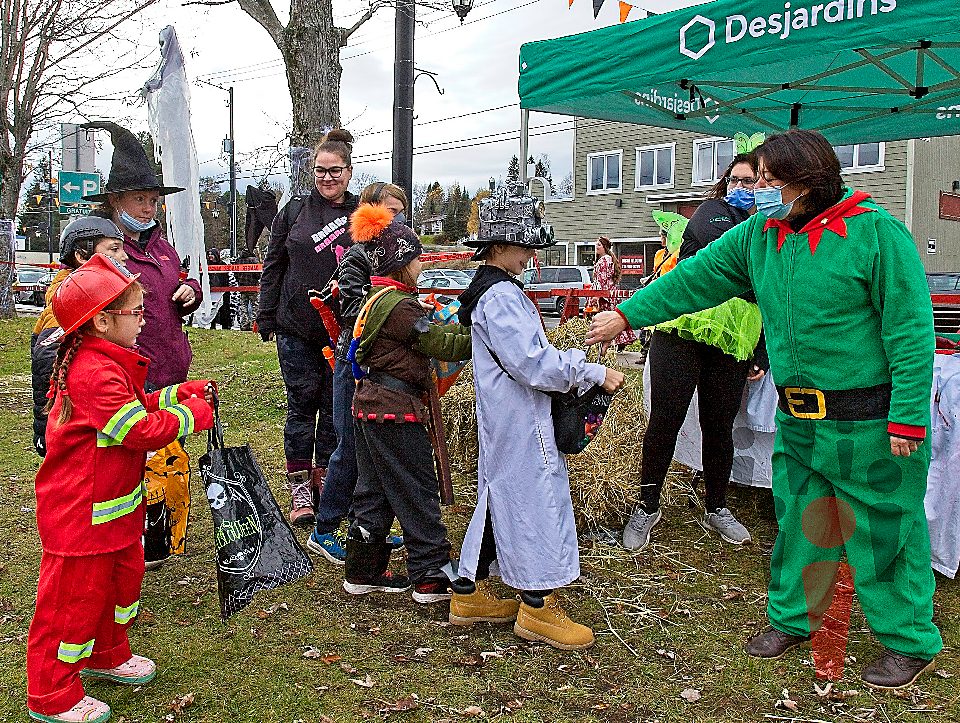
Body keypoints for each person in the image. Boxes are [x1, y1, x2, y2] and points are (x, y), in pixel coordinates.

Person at [587, 129, 941, 690]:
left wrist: (907, 416)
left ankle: (908, 641)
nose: (761, 192)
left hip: (868, 420)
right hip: (800, 420)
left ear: (809, 181)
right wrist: (631, 313)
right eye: (760, 181)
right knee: (801, 524)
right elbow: (696, 277)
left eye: (773, 182)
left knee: (885, 531)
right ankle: (794, 618)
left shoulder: (877, 234)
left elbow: (910, 332)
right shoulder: (761, 235)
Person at [26, 254, 214, 723]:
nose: (144, 319)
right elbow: (138, 430)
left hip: (113, 512)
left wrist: (177, 393)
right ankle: (52, 693)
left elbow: (135, 405)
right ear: (103, 321)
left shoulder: (108, 362)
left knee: (118, 587)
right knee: (70, 606)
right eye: (137, 311)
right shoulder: (94, 372)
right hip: (81, 517)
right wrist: (192, 415)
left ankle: (108, 652)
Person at [450, 187, 625, 650]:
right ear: (499, 245)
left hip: (508, 416)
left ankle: (468, 594)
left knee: (501, 495)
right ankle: (538, 605)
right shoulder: (501, 297)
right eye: (525, 245)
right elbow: (533, 364)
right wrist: (590, 371)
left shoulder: (493, 291)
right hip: (521, 418)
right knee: (533, 500)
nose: (531, 255)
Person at [618, 153, 768, 552]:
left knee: (719, 427)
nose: (741, 187)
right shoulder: (711, 212)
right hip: (683, 328)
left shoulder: (771, 226)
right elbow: (722, 262)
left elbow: (770, 290)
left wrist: (761, 351)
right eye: (735, 180)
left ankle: (716, 506)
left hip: (734, 338)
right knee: (665, 420)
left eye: (750, 181)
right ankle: (647, 506)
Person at [82, 120, 204, 569]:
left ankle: (161, 532)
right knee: (133, 454)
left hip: (170, 365)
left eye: (154, 200)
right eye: (141, 199)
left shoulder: (161, 247)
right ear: (116, 201)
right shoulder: (105, 252)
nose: (150, 208)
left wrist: (190, 291)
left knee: (166, 456)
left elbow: (179, 281)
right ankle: (135, 537)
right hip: (129, 370)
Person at [342, 203, 471, 603]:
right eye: (416, 258)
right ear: (400, 262)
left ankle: (363, 570)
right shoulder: (399, 306)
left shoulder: (378, 298)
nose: (420, 264)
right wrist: (482, 334)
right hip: (395, 409)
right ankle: (431, 573)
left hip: (370, 406)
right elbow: (439, 343)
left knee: (374, 490)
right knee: (417, 489)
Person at [257, 129, 358, 527]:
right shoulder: (294, 210)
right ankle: (299, 485)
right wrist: (265, 313)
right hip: (296, 325)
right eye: (320, 170)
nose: (327, 178)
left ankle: (327, 480)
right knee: (301, 405)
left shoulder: (362, 212)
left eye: (335, 171)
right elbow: (274, 263)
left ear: (349, 172)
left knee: (335, 410)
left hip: (342, 330)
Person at [307, 182, 408, 564]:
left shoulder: (391, 256)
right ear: (371, 212)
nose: (398, 220)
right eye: (391, 212)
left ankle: (362, 527)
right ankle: (324, 529)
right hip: (354, 360)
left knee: (369, 448)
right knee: (349, 446)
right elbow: (352, 309)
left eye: (401, 212)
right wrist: (393, 310)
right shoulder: (358, 255)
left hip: (379, 360)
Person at [31, 217, 128, 458]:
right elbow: (48, 357)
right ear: (82, 256)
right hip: (71, 431)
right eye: (114, 249)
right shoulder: (70, 296)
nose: (124, 257)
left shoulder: (94, 292)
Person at [592, 236, 636, 350]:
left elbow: (602, 279)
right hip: (608, 293)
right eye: (596, 244)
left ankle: (614, 342)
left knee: (609, 319)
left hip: (606, 295)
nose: (596, 246)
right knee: (613, 318)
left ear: (605, 247)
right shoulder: (605, 259)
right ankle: (618, 343)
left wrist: (597, 295)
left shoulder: (605, 260)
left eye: (599, 245)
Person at [206, 248, 232, 330]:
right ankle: (212, 324)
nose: (210, 256)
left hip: (222, 290)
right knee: (212, 308)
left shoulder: (223, 264)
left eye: (212, 254)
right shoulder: (207, 264)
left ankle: (225, 325)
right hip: (211, 290)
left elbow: (226, 277)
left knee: (224, 308)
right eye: (209, 254)